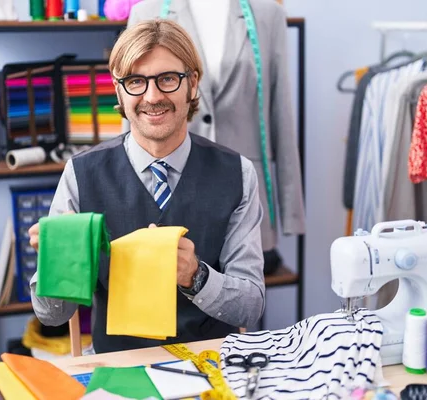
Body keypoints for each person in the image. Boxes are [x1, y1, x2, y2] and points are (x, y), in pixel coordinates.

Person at [28, 19, 265, 354]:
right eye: (136, 81)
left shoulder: (237, 173)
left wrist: (196, 276)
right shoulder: (81, 174)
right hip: (118, 366)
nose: (152, 97)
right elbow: (52, 316)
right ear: (118, 92)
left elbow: (251, 306)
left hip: (210, 363)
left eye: (167, 79)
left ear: (192, 84)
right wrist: (57, 262)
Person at [125, 0, 306, 274]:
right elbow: (135, 103)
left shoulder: (268, 14)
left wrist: (291, 212)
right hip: (171, 187)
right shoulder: (146, 12)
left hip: (244, 194)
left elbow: (281, 111)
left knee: (241, 301)